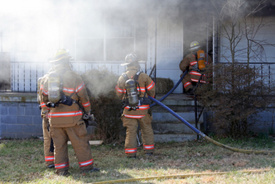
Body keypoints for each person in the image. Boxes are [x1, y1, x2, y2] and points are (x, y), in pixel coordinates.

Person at [40, 49, 99, 175]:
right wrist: (88, 111)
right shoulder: (74, 77)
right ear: (67, 61)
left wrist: (48, 113)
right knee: (80, 143)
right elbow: (84, 97)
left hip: (55, 120)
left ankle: (61, 170)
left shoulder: (47, 79)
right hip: (73, 119)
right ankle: (87, 168)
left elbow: (44, 99)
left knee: (58, 146)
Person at [115, 53, 156, 158]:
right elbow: (152, 90)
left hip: (128, 111)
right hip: (143, 110)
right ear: (137, 63)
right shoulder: (144, 76)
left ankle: (131, 153)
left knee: (130, 132)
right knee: (146, 129)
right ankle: (149, 152)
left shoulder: (122, 78)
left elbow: (119, 93)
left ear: (127, 65)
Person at [37, 75, 54, 169]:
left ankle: (52, 162)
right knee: (49, 139)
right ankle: (50, 162)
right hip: (49, 114)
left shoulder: (43, 80)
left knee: (50, 139)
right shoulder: (48, 80)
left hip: (49, 113)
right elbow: (42, 99)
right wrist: (46, 111)